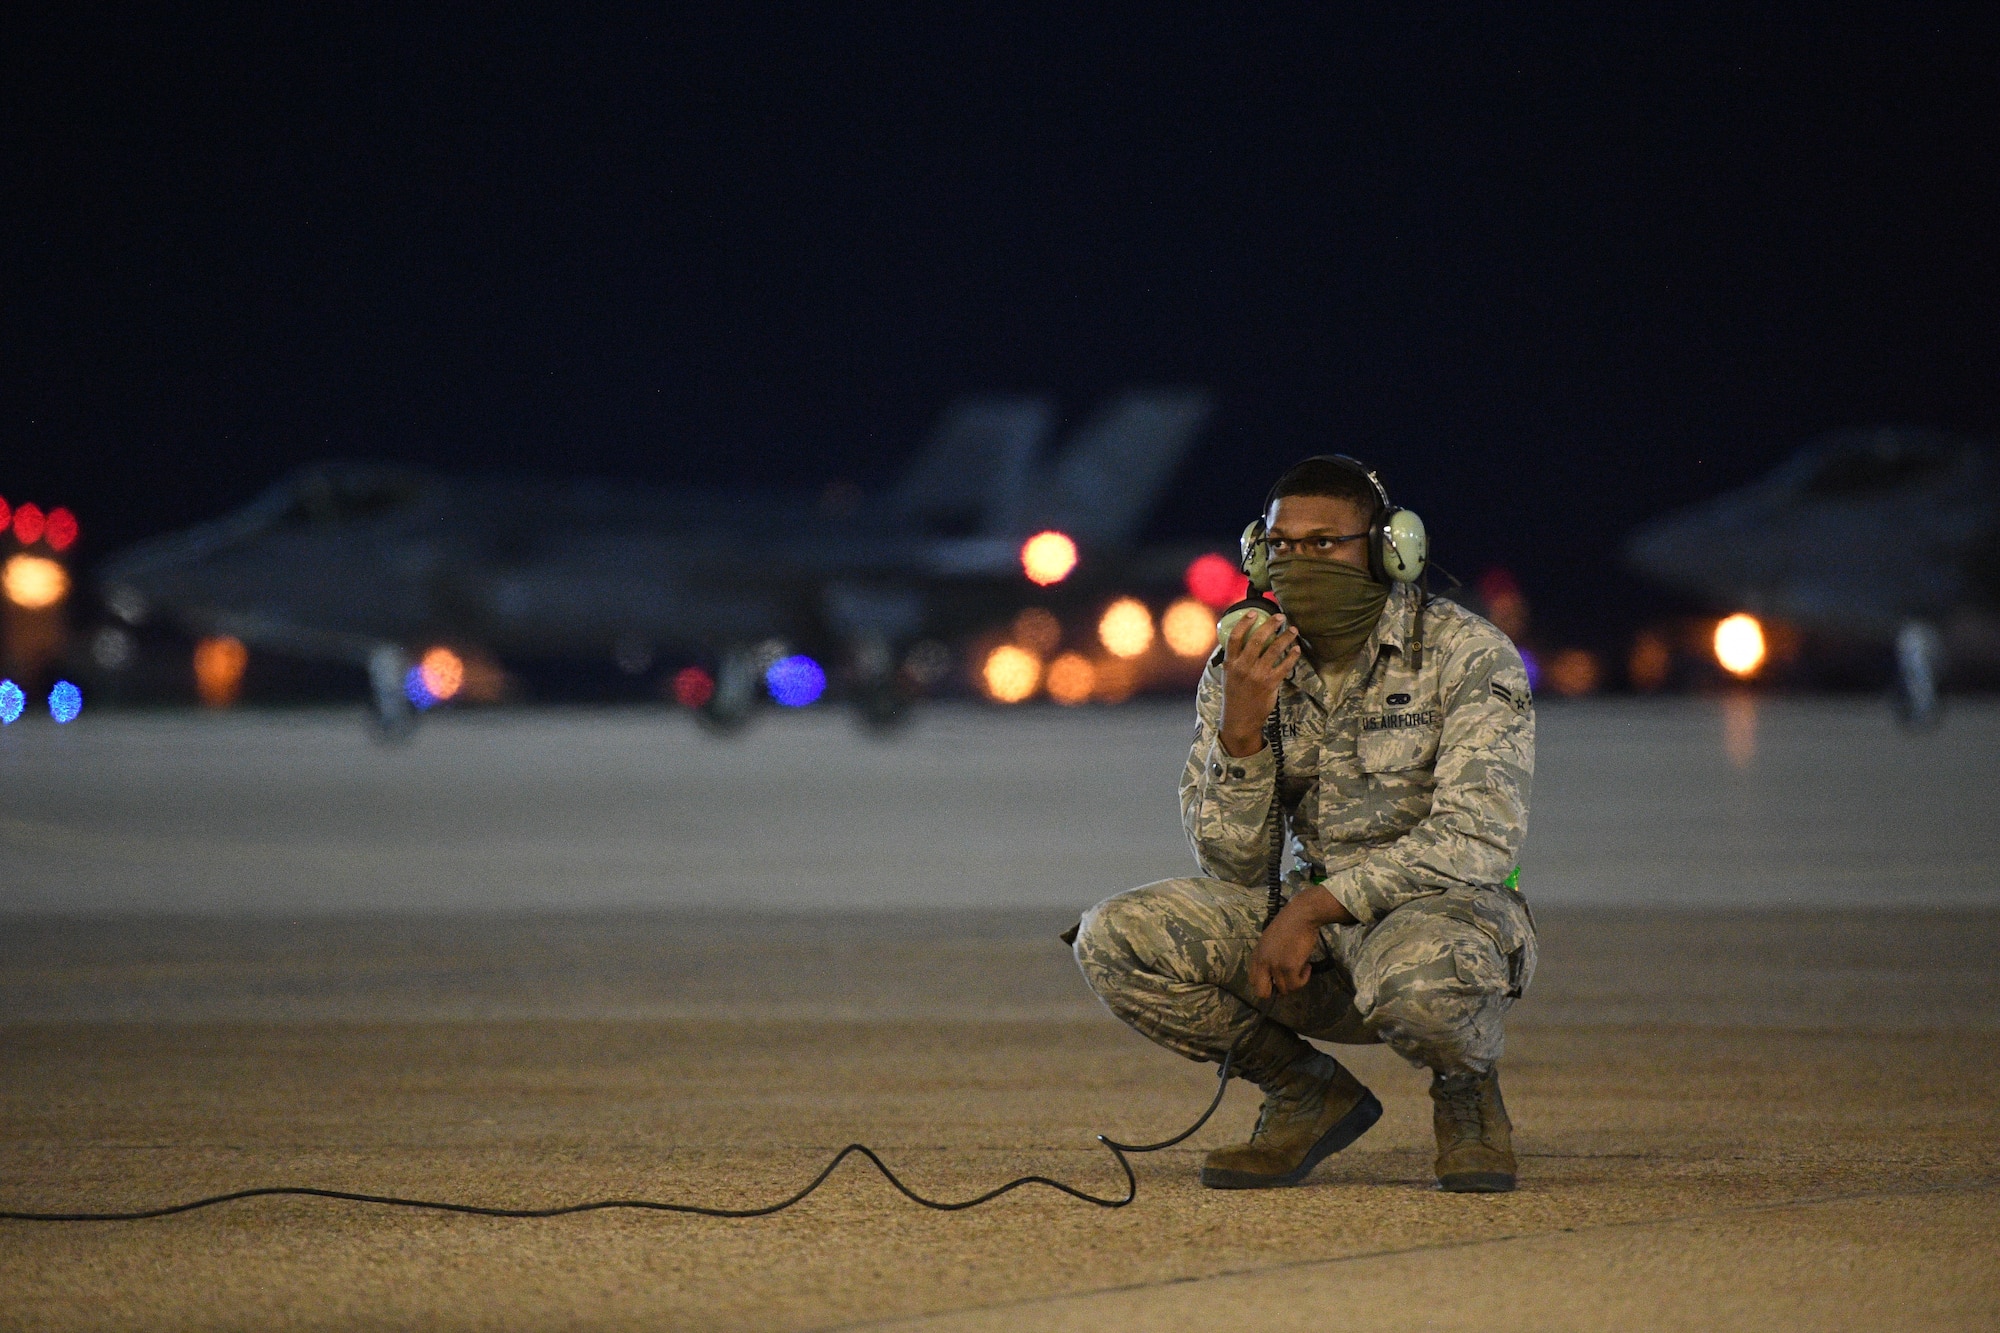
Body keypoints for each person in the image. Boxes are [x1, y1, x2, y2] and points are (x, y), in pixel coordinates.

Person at [1070, 456, 1537, 1193]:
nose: (1299, 561)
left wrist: (1314, 907)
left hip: (1444, 916)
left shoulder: (1464, 653)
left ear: (1390, 550)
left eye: (1325, 544)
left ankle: (1466, 1090)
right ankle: (1305, 1092)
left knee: (1423, 991)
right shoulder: (1249, 658)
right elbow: (1228, 862)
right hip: (1311, 932)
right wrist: (1243, 733)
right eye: (1282, 547)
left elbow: (1479, 837)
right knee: (1113, 937)